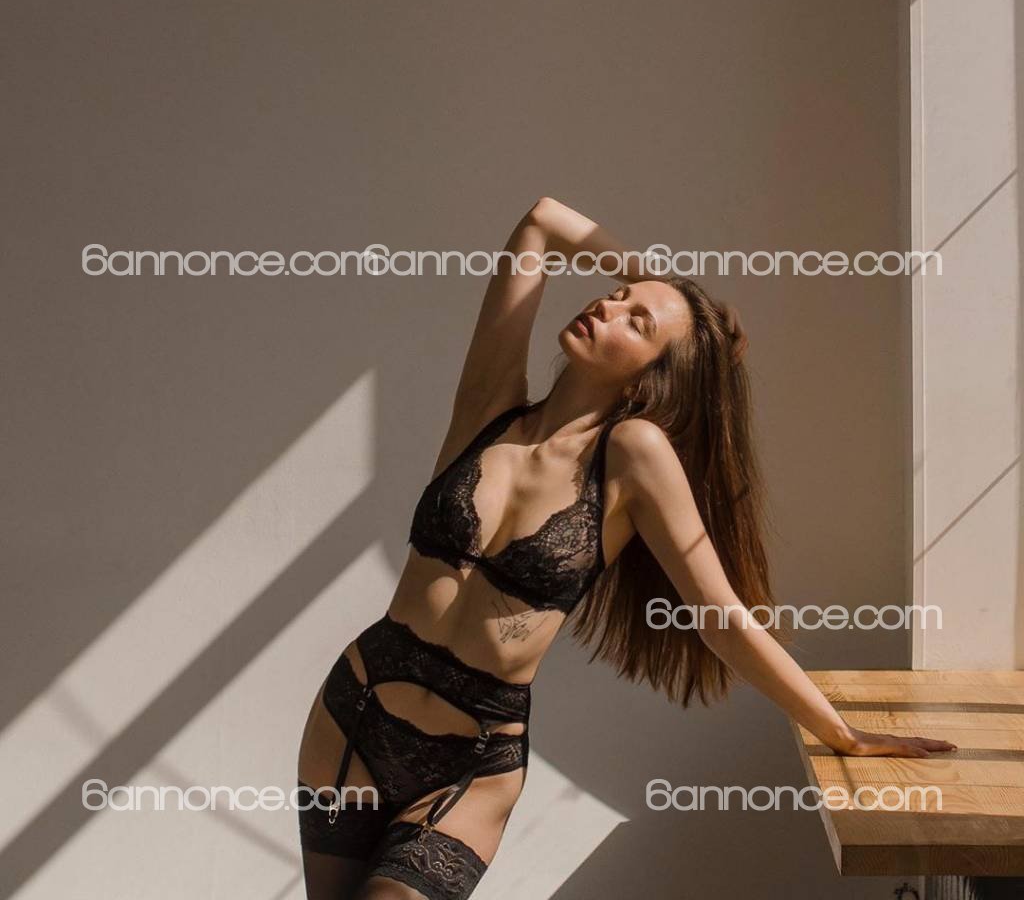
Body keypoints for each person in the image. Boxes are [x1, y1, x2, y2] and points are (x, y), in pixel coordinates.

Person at [296, 196, 953, 899]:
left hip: (470, 762)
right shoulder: (489, 408)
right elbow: (542, 221)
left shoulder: (633, 455)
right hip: (352, 717)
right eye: (615, 296)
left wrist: (841, 733)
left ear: (648, 377)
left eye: (636, 322)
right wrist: (660, 287)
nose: (607, 306)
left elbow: (720, 616)